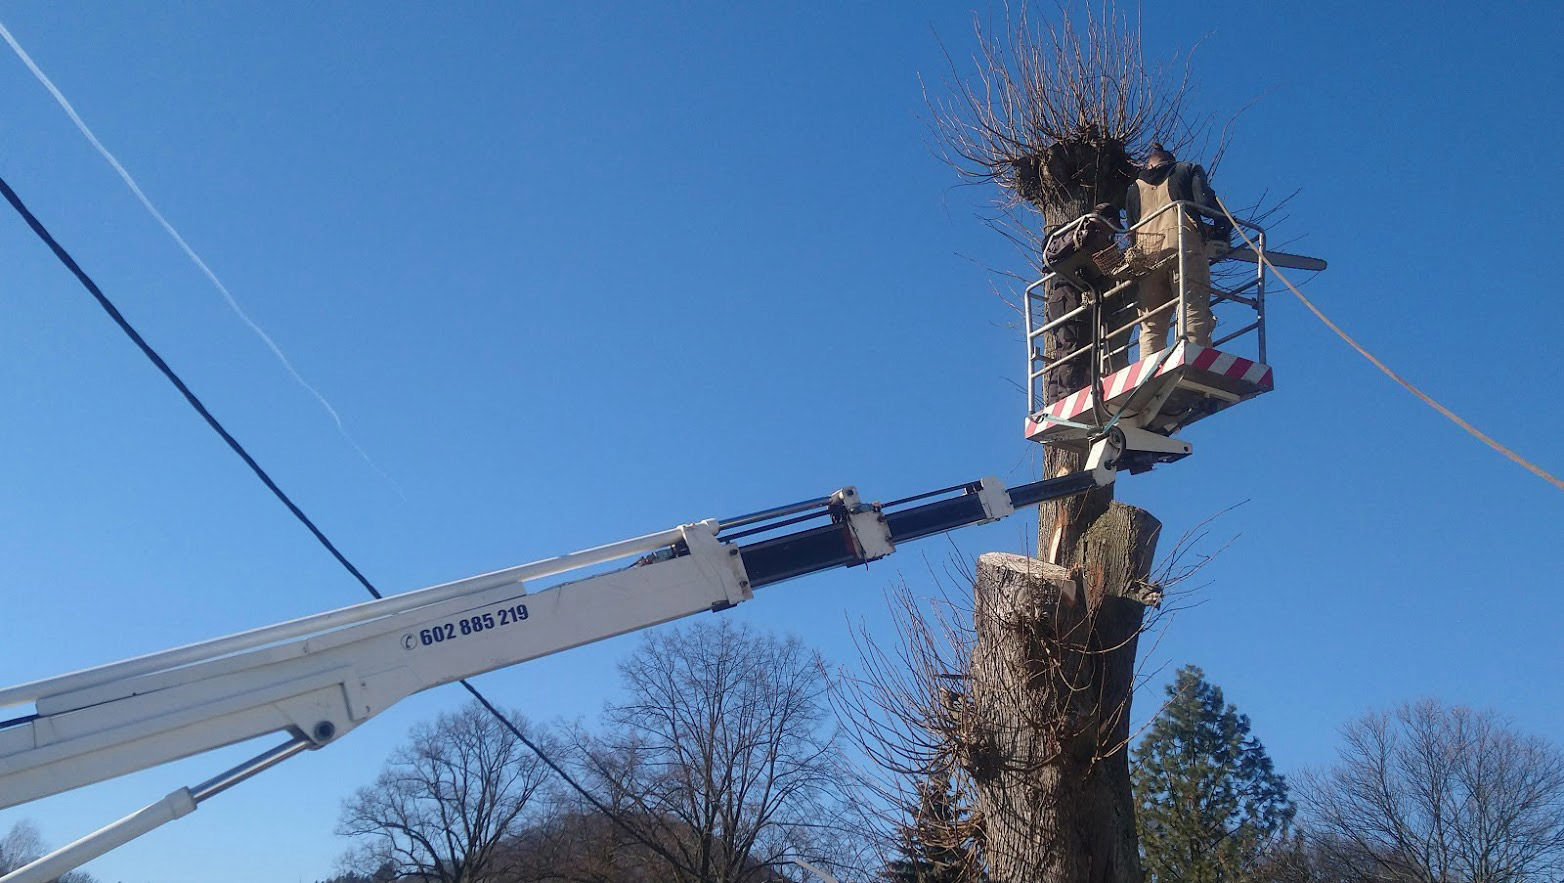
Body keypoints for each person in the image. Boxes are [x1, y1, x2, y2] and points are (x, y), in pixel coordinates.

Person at [1123, 143, 1231, 355]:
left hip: (1147, 257)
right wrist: (1222, 227)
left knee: (1151, 322)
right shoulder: (1186, 169)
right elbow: (1205, 202)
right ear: (1170, 160)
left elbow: (1131, 228)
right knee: (1191, 305)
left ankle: (1148, 367)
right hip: (1183, 245)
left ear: (1149, 164)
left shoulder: (1133, 188)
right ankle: (1192, 354)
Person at [1041, 203, 1128, 404]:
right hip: (1069, 298)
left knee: (1072, 350)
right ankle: (1065, 398)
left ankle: (1058, 399)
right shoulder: (1082, 232)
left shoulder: (1073, 234)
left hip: (1068, 299)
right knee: (1072, 349)